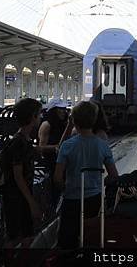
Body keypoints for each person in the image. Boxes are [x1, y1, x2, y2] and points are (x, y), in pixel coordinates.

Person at [54, 101, 118, 248]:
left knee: (66, 241)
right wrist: (99, 183)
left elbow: (57, 178)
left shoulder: (67, 145)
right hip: (94, 199)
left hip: (72, 199)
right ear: (94, 120)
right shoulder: (102, 145)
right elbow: (114, 175)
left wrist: (65, 188)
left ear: (74, 121)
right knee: (92, 238)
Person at [0, 98, 43, 247]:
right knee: (16, 238)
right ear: (33, 117)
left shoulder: (24, 139)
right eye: (39, 114)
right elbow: (18, 176)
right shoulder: (19, 142)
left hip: (20, 196)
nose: (41, 117)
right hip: (16, 197)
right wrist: (32, 203)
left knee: (26, 235)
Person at [38, 98, 69, 173]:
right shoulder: (47, 125)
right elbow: (41, 148)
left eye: (64, 109)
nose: (64, 111)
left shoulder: (63, 124)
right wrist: (57, 147)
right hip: (50, 162)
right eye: (61, 109)